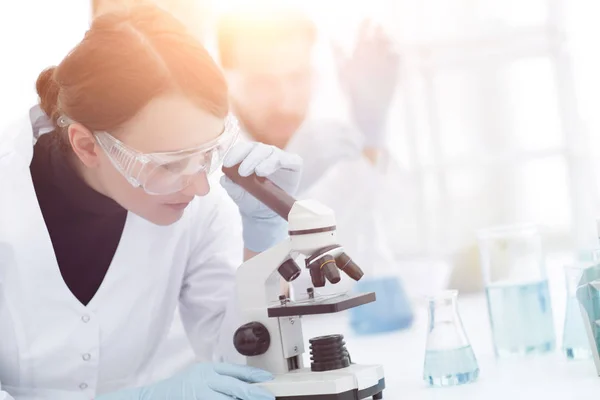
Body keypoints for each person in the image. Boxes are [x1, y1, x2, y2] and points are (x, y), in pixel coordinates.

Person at [0, 4, 302, 399]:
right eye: (169, 163)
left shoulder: (198, 208)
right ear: (87, 145)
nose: (198, 186)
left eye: (206, 153)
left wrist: (265, 241)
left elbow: (244, 365)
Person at [215, 4, 421, 288]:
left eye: (297, 77)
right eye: (262, 82)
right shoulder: (206, 160)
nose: (284, 100)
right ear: (226, 80)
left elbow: (387, 242)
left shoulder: (327, 144)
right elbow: (234, 287)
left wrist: (372, 129)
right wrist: (279, 193)